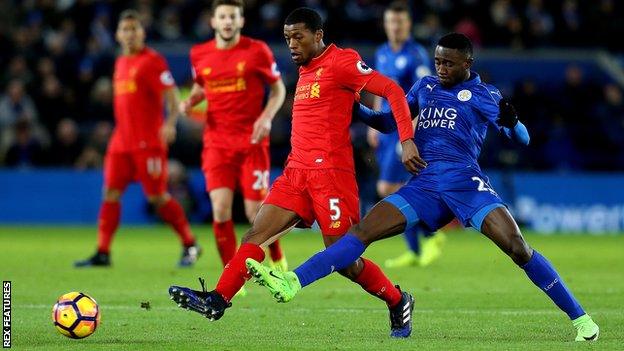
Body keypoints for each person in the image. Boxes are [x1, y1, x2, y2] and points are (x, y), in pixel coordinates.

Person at [246, 33, 600, 342]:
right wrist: (358, 110)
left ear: (467, 63)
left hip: (465, 183)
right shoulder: (425, 87)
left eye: (449, 63)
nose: (441, 68)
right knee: (362, 230)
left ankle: (581, 319)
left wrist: (513, 122)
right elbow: (387, 122)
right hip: (425, 185)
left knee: (518, 247)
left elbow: (521, 139)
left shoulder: (484, 94)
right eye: (437, 61)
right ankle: (293, 281)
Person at [169, 7, 425, 338]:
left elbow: (390, 89)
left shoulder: (342, 61)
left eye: (298, 37)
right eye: (288, 38)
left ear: (318, 36)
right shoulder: (306, 69)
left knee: (345, 260)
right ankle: (218, 299)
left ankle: (397, 299)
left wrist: (406, 140)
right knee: (255, 236)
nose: (291, 44)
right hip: (295, 173)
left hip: (332, 176)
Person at [75, 10, 200, 268]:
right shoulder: (120, 62)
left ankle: (190, 243)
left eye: (135, 29)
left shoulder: (152, 61)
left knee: (157, 197)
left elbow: (172, 95)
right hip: (121, 141)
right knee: (110, 193)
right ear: (118, 35)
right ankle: (102, 252)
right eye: (125, 30)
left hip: (148, 142)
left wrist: (169, 124)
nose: (130, 34)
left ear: (143, 32)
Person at [178, 0, 287, 280]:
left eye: (233, 17)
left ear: (241, 21)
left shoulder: (256, 51)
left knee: (255, 213)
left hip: (251, 142)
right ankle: (233, 276)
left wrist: (266, 117)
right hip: (216, 143)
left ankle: (277, 257)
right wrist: (192, 99)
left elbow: (277, 90)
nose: (227, 22)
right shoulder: (199, 54)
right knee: (220, 209)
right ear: (213, 21)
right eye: (222, 17)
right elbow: (204, 85)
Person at [370, 1, 445, 268]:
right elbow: (380, 89)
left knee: (387, 188)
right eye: (391, 22)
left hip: (405, 129)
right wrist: (374, 124)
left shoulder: (416, 55)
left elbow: (426, 93)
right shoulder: (382, 52)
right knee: (400, 188)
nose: (395, 27)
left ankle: (429, 235)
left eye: (399, 22)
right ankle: (417, 247)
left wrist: (410, 132)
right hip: (387, 130)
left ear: (408, 25)